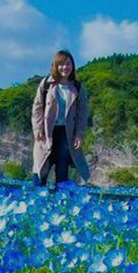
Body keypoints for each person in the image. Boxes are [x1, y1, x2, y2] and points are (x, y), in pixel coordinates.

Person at [31, 50, 90, 187]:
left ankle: (60, 203)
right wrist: (37, 128)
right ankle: (36, 200)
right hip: (47, 131)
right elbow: (37, 107)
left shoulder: (77, 87)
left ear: (72, 66)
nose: (65, 68)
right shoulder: (46, 84)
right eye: (61, 64)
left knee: (62, 170)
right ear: (56, 66)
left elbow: (82, 113)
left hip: (66, 133)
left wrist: (79, 134)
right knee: (41, 168)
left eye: (68, 64)